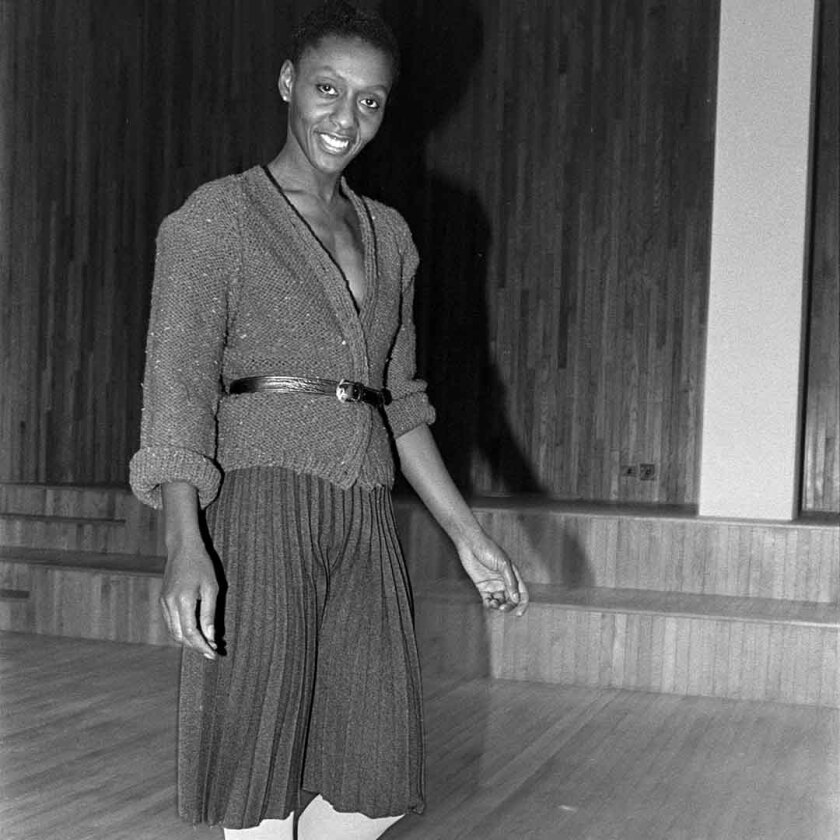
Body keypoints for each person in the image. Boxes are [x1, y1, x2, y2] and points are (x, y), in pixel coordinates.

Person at [129, 3, 529, 838]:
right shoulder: (215, 221)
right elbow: (175, 390)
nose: (345, 117)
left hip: (361, 515)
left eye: (370, 100)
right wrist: (184, 542)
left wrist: (465, 533)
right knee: (259, 775)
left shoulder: (390, 236)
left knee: (373, 778)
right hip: (259, 508)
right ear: (287, 83)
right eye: (326, 88)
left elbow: (401, 401)